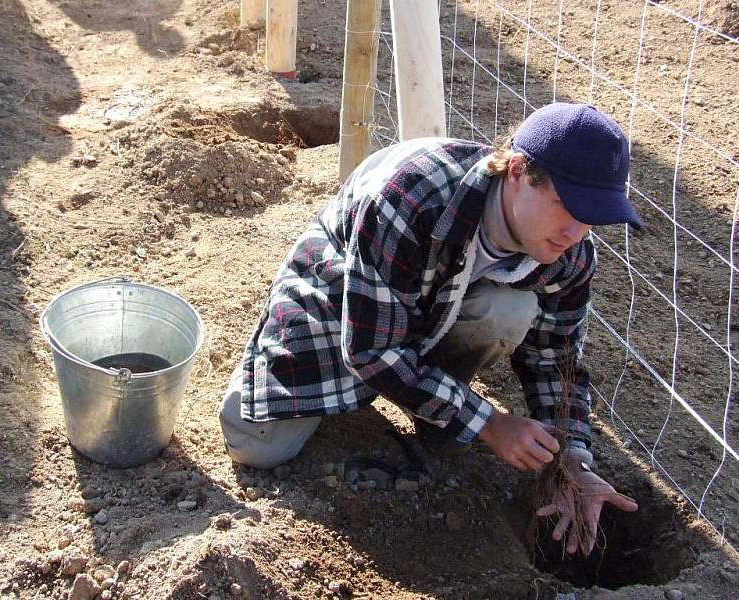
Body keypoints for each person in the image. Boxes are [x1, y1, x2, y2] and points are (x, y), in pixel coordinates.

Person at [220, 102, 640, 555]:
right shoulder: (409, 196)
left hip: (432, 312)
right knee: (255, 444)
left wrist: (573, 456)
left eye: (592, 216)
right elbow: (369, 351)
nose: (575, 232)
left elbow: (556, 358)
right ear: (518, 171)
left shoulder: (570, 252)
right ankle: (440, 403)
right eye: (566, 206)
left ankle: (435, 409)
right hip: (347, 297)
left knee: (508, 310)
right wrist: (489, 422)